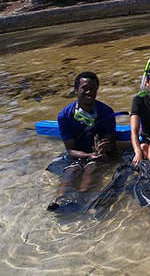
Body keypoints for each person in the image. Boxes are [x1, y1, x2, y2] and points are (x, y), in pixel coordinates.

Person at [48, 72, 117, 211]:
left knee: (91, 170)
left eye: (93, 89)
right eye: (85, 88)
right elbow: (70, 149)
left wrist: (105, 147)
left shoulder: (107, 112)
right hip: (78, 153)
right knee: (71, 172)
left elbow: (111, 142)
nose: (89, 92)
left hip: (98, 155)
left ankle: (81, 199)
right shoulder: (65, 116)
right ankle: (61, 201)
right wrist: (87, 156)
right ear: (76, 89)